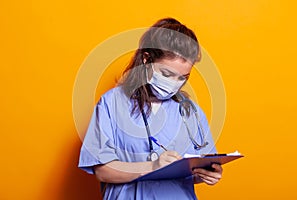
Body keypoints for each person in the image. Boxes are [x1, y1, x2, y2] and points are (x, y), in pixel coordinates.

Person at [78, 17, 223, 199]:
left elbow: (197, 167)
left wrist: (208, 174)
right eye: (166, 73)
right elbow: (102, 170)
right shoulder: (112, 103)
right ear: (147, 59)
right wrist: (152, 167)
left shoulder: (189, 111)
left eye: (182, 78)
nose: (174, 84)